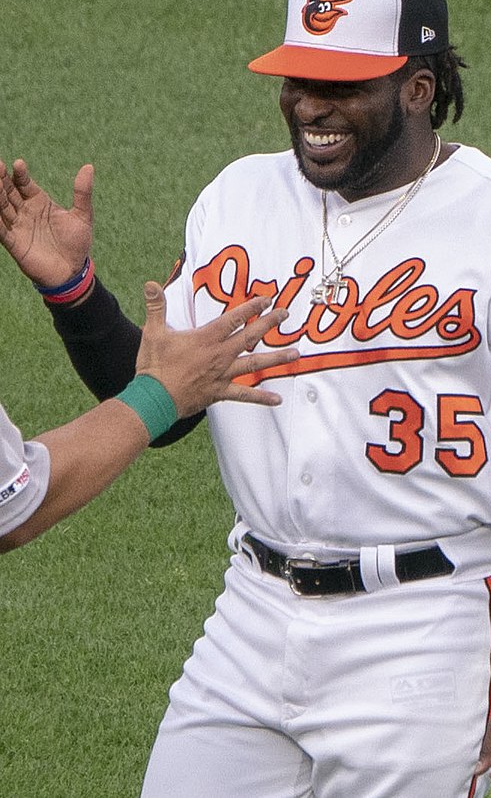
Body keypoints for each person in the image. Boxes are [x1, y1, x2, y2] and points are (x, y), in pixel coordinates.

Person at [0, 0, 491, 797]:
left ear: (418, 86)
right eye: (299, 79)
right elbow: (166, 401)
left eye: (344, 85)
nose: (311, 106)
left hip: (426, 630)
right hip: (252, 615)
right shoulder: (239, 198)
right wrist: (72, 290)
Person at [0, 164, 298, 551]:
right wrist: (159, 395)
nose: (313, 107)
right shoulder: (240, 197)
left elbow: (168, 385)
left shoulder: (238, 193)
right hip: (264, 589)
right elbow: (11, 505)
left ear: (407, 98)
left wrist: (75, 294)